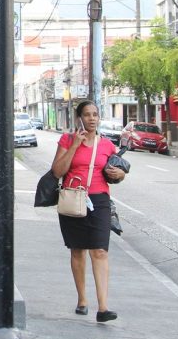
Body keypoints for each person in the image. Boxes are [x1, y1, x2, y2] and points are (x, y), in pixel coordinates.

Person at [51, 98, 125, 322]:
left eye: (95, 115)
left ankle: (103, 308)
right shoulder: (67, 139)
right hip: (74, 197)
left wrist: (119, 175)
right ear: (79, 118)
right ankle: (82, 299)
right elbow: (57, 171)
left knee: (100, 251)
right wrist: (74, 145)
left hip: (99, 200)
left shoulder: (107, 145)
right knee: (77, 250)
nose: (92, 119)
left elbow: (116, 174)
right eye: (87, 115)